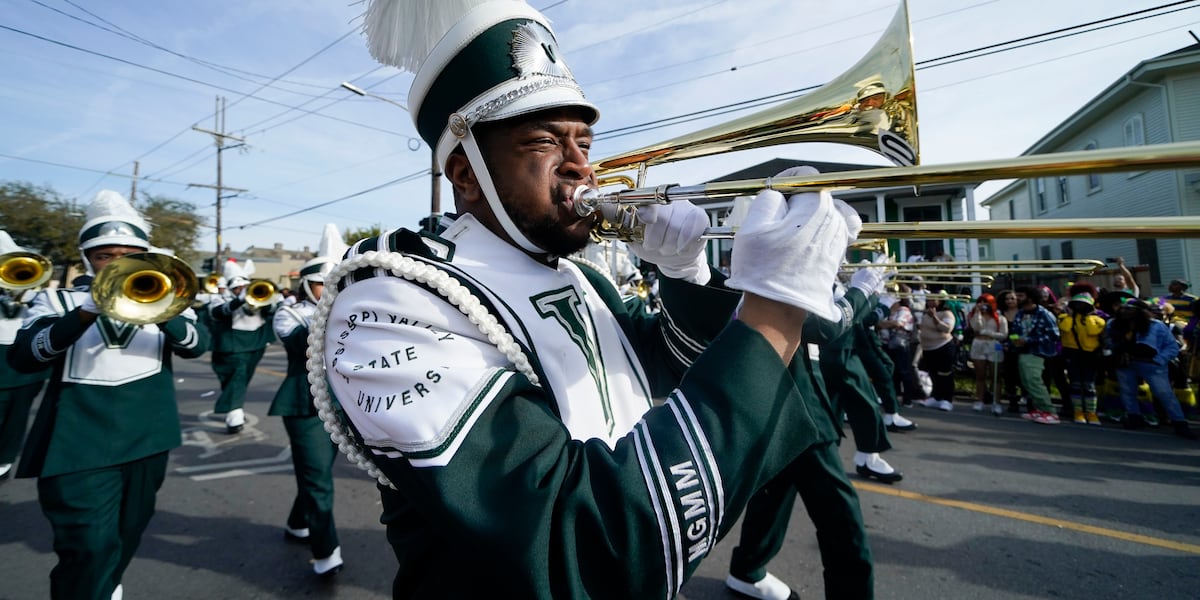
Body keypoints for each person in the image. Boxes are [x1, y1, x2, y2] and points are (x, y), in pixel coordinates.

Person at [308, 2, 862, 597]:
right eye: (544, 142)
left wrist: (685, 272)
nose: (581, 167)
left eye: (584, 141)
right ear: (466, 175)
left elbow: (675, 366)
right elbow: (575, 539)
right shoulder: (391, 301)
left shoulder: (583, 279)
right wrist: (774, 311)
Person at [9, 190, 210, 600]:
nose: (116, 263)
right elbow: (26, 355)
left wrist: (164, 308)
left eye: (129, 254)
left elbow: (196, 345)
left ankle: (103, 585)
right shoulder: (55, 298)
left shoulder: (165, 294)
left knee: (127, 533)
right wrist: (86, 310)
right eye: (105, 255)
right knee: (86, 547)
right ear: (88, 258)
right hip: (75, 446)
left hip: (148, 438)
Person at [270, 224, 347, 576]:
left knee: (318, 473)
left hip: (345, 405)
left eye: (335, 281)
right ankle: (326, 552)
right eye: (321, 283)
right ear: (305, 285)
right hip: (305, 405)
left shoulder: (353, 308)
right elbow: (300, 345)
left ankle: (297, 522)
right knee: (318, 479)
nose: (328, 289)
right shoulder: (289, 314)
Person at [0, 230, 51, 482]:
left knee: (16, 416)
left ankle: (3, 462)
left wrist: (22, 289)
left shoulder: (32, 292)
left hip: (21, 366)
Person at [1105, 299, 1196, 439]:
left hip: (1151, 365)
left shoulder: (1156, 325)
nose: (1125, 311)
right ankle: (1134, 417)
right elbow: (1108, 342)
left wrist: (1157, 360)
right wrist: (1117, 353)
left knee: (1164, 393)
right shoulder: (1113, 324)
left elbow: (1172, 347)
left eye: (1130, 309)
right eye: (1123, 308)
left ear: (1140, 311)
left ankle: (1179, 423)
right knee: (1127, 391)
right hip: (1125, 364)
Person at [209, 258, 278, 433]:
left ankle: (233, 408)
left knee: (242, 378)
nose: (242, 290)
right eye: (238, 288)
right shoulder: (219, 298)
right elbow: (218, 312)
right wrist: (239, 300)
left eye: (244, 287)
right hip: (232, 346)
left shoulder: (257, 296)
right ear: (232, 289)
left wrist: (264, 302)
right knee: (236, 377)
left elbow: (272, 310)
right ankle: (234, 415)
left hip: (256, 343)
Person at [1009, 286, 1062, 425]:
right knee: (1026, 382)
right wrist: (1015, 341)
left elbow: (1054, 335)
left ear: (1030, 298)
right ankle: (1039, 409)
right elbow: (1015, 330)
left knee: (1034, 381)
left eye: (1020, 295)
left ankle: (1050, 412)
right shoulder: (1020, 313)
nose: (1017, 299)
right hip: (1022, 351)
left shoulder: (1044, 314)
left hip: (1038, 352)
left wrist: (1028, 340)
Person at [1059, 293, 1107, 424]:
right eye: (1077, 304)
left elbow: (1092, 331)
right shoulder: (1064, 318)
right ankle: (1078, 412)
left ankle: (1091, 413)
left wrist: (1089, 316)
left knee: (1089, 385)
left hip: (1090, 355)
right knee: (1075, 384)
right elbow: (1065, 328)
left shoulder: (1098, 319)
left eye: (1083, 305)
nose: (1080, 307)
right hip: (1072, 354)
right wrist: (1070, 315)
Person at [967, 293, 1007, 414]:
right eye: (981, 302)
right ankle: (979, 400)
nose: (984, 305)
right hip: (978, 344)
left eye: (986, 302)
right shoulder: (974, 315)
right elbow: (976, 328)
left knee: (995, 376)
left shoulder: (1000, 318)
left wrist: (990, 333)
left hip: (993, 345)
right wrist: (978, 313)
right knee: (980, 375)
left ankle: (997, 402)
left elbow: (1004, 335)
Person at [917, 293, 957, 411]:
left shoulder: (946, 313)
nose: (930, 302)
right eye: (928, 300)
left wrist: (934, 317)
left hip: (943, 346)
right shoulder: (925, 314)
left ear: (940, 301)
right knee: (933, 374)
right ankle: (936, 397)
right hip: (928, 348)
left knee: (945, 374)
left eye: (933, 300)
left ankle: (947, 399)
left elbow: (947, 328)